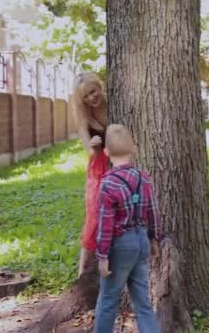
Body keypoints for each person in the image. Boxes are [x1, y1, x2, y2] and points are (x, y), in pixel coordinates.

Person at [94, 124, 161, 333]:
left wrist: (102, 256)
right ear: (133, 149)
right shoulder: (144, 177)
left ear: (106, 153)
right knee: (142, 300)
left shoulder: (108, 184)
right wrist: (154, 239)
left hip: (120, 246)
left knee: (108, 300)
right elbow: (153, 210)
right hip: (141, 241)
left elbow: (105, 225)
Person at [70, 72, 110, 277]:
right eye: (86, 96)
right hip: (99, 168)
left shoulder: (114, 101)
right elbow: (88, 148)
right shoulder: (83, 115)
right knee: (94, 214)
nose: (91, 98)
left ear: (99, 86)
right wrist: (94, 147)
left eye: (93, 92)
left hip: (120, 165)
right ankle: (82, 270)